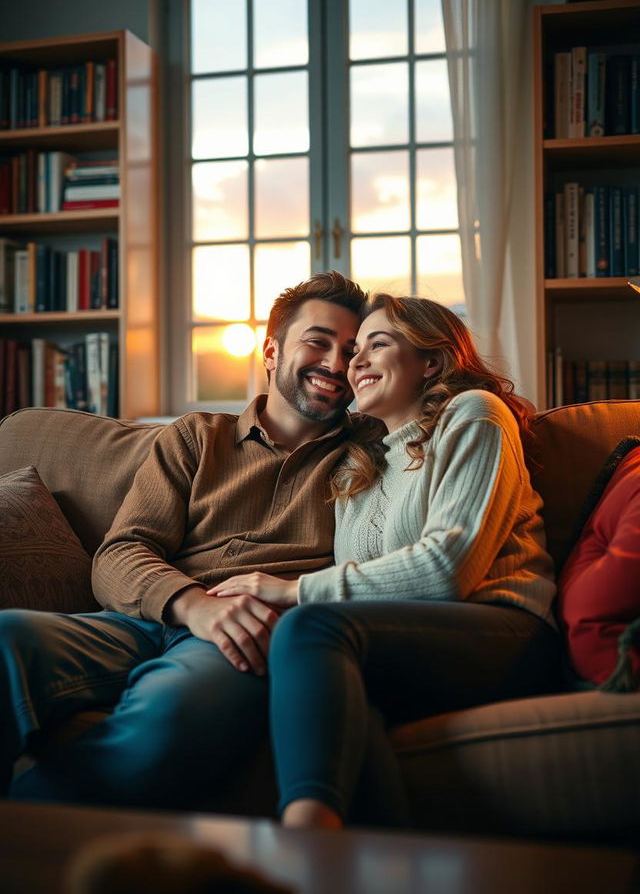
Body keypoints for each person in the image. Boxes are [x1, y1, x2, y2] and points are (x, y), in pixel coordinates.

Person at [0, 272, 371, 809]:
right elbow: (120, 552)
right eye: (318, 341)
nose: (336, 364)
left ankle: (28, 834)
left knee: (171, 717)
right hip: (142, 620)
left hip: (243, 639)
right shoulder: (197, 436)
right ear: (272, 350)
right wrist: (191, 603)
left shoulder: (371, 452)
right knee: (8, 635)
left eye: (351, 350)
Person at [211, 293, 560, 830]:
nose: (355, 363)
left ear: (432, 362)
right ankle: (369, 866)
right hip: (414, 642)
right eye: (356, 353)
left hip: (504, 633)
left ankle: (304, 835)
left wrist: (287, 588)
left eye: (378, 344)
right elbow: (366, 592)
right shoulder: (360, 466)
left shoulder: (473, 416)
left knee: (311, 628)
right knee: (352, 711)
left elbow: (448, 571)